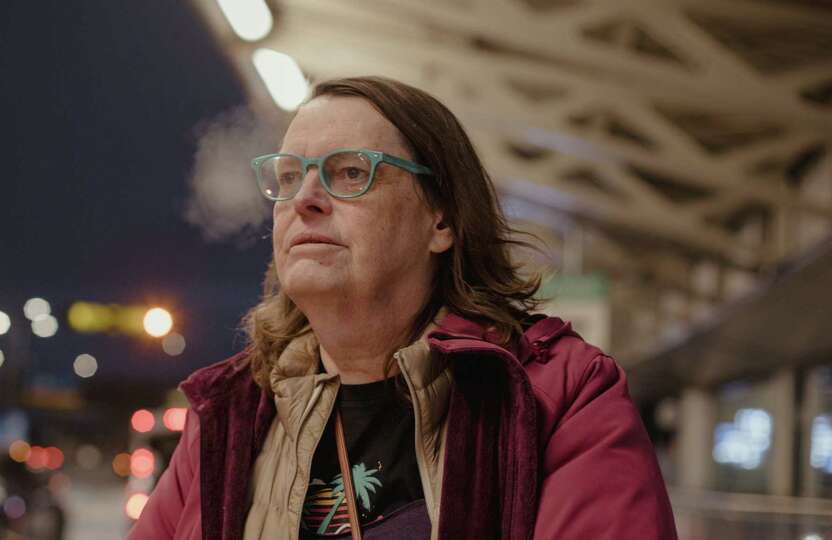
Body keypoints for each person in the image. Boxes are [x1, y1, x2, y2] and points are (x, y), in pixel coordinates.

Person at [127, 76, 677, 540]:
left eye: (349, 173)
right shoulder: (228, 413)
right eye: (290, 176)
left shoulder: (559, 395)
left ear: (441, 219)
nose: (304, 199)